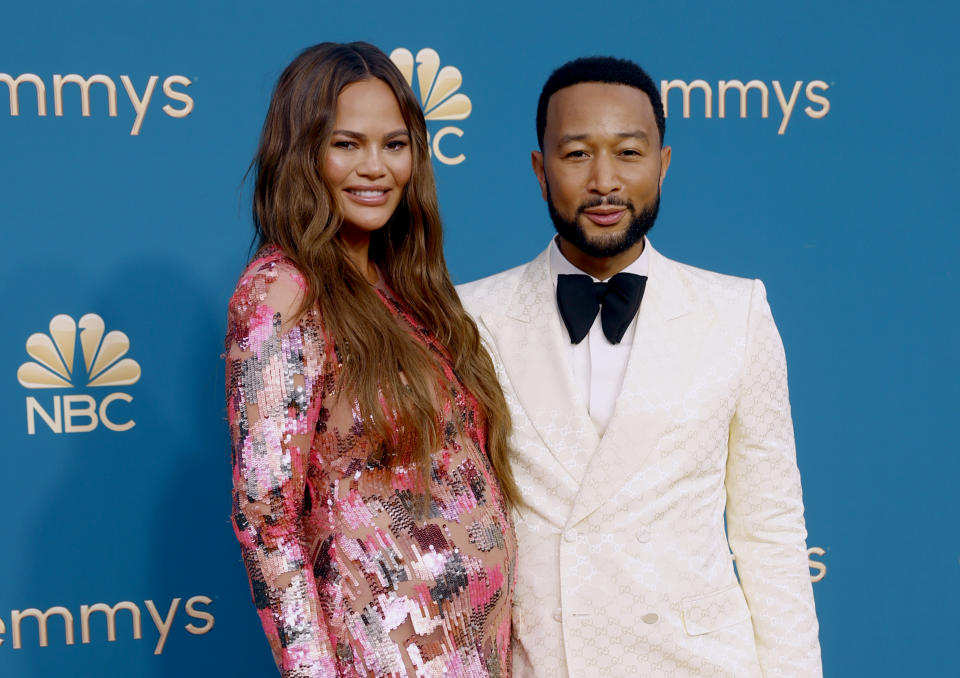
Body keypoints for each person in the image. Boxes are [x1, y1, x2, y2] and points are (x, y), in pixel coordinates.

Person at [457, 56, 823, 678]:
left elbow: (771, 534)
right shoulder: (468, 316)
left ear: (664, 163)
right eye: (577, 155)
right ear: (540, 171)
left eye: (629, 153)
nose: (605, 181)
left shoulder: (736, 313)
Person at [225, 42, 518, 678]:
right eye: (347, 144)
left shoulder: (408, 285)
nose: (375, 167)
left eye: (394, 144)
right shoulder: (282, 292)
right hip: (382, 658)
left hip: (479, 653)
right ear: (303, 155)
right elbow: (267, 523)